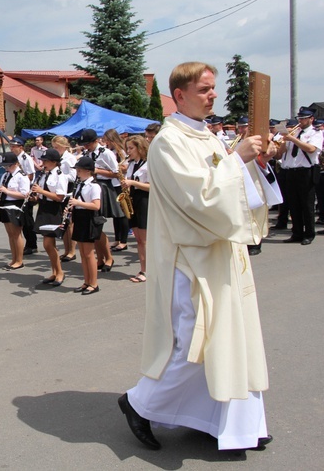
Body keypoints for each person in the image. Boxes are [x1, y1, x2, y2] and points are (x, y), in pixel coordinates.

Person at [118, 61, 280, 452]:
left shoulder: (206, 136)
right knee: (199, 343)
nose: (213, 95)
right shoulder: (169, 142)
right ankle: (140, 403)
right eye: (205, 89)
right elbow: (200, 198)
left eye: (213, 88)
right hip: (190, 259)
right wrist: (237, 159)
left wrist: (255, 162)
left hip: (221, 252)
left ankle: (230, 424)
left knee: (231, 340)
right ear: (179, 95)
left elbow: (231, 185)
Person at [276, 107, 323, 245]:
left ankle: (309, 234)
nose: (300, 121)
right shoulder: (294, 133)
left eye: (303, 118)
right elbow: (280, 154)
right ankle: (296, 233)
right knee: (293, 203)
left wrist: (293, 139)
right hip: (291, 171)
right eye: (299, 118)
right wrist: (284, 140)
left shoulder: (316, 133)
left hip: (306, 171)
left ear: (311, 119)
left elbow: (311, 149)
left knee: (307, 205)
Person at [78, 129, 115, 273]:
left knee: (97, 225)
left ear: (95, 141)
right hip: (88, 186)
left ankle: (109, 257)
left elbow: (116, 172)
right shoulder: (87, 154)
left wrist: (97, 171)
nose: (86, 147)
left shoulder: (106, 153)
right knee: (93, 227)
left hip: (102, 187)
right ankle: (100, 258)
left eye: (88, 144)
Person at [31, 149, 68, 286]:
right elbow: (40, 194)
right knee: (48, 245)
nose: (43, 163)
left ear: (53, 162)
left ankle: (60, 272)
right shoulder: (43, 175)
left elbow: (60, 197)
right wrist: (34, 196)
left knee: (48, 243)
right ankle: (54, 271)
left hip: (53, 210)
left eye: (46, 161)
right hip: (43, 208)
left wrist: (41, 191)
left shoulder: (60, 176)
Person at [68, 156, 102, 296]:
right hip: (80, 217)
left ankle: (94, 283)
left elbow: (96, 205)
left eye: (79, 169)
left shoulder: (93, 185)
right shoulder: (79, 184)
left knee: (89, 254)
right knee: (82, 253)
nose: (77, 172)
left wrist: (78, 203)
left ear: (88, 171)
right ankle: (86, 281)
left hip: (88, 219)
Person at [120, 136, 150, 282]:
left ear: (140, 148)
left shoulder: (148, 164)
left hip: (144, 200)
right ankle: (143, 268)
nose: (128, 151)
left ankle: (148, 270)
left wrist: (132, 182)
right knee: (139, 239)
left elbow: (152, 187)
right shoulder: (132, 164)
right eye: (127, 148)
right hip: (133, 200)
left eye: (131, 148)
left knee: (145, 240)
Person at [0, 152, 30, 270]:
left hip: (15, 205)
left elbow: (25, 194)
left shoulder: (22, 176)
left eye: (9, 165)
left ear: (16, 164)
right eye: (5, 166)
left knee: (16, 234)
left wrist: (7, 192)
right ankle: (14, 258)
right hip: (5, 204)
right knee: (10, 234)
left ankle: (19, 260)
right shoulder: (5, 175)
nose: (7, 168)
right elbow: (2, 189)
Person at [50, 136, 78, 262]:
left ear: (63, 146)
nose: (55, 150)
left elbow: (73, 176)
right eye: (53, 147)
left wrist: (61, 177)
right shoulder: (59, 158)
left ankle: (72, 251)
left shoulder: (69, 158)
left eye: (57, 147)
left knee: (69, 222)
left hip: (68, 190)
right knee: (64, 222)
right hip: (60, 189)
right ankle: (66, 250)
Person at [9, 136, 38, 255]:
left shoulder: (25, 158)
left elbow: (31, 175)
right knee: (23, 219)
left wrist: (21, 180)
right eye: (11, 146)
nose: (11, 148)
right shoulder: (15, 158)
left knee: (27, 219)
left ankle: (32, 244)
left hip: (26, 189)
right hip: (19, 189)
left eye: (14, 146)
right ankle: (28, 243)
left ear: (20, 147)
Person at [102, 129, 130, 252]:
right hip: (113, 184)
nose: (106, 142)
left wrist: (115, 166)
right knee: (116, 215)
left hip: (120, 184)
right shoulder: (110, 151)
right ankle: (117, 239)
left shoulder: (121, 152)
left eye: (107, 140)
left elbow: (125, 167)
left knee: (122, 213)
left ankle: (123, 241)